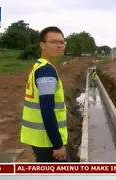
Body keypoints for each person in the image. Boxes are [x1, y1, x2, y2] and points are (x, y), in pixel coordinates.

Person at [20, 26, 70, 162]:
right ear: (42, 45)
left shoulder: (39, 66)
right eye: (54, 42)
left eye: (62, 42)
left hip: (40, 139)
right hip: (48, 142)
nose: (59, 45)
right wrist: (58, 145)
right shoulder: (46, 71)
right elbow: (47, 110)